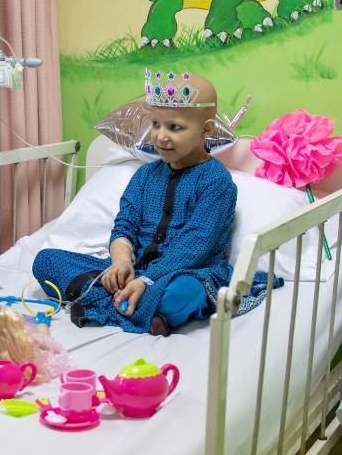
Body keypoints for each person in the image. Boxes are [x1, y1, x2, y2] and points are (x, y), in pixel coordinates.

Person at [32, 70, 278, 336]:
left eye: (175, 127)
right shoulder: (144, 176)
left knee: (183, 292)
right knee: (45, 261)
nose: (160, 136)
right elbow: (124, 226)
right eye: (155, 125)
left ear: (206, 129)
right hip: (136, 269)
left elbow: (196, 246)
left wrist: (147, 280)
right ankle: (136, 306)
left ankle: (121, 303)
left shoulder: (216, 181)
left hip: (188, 271)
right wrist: (121, 263)